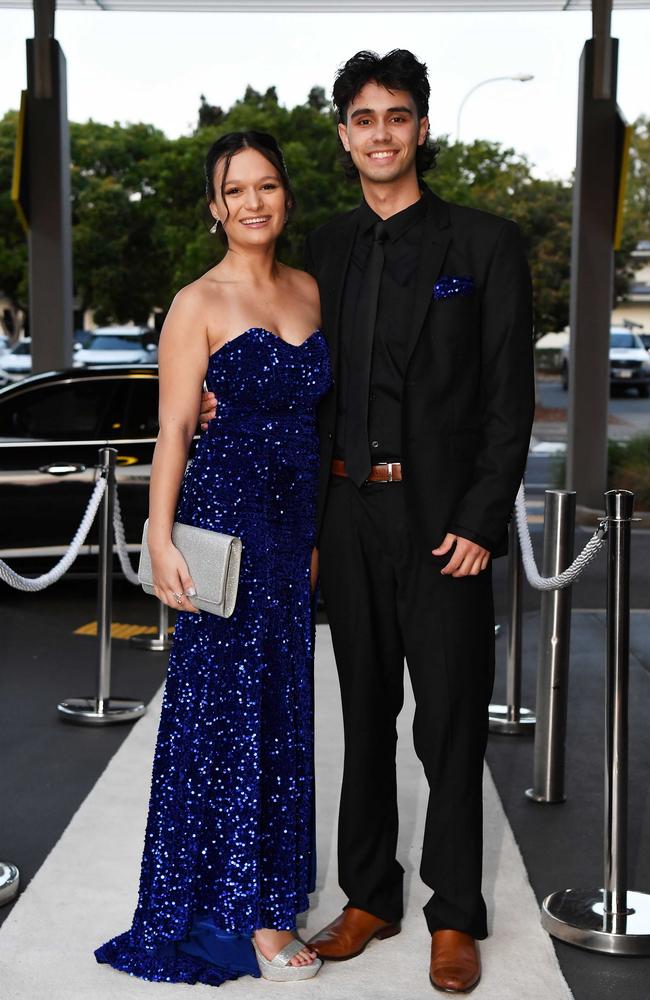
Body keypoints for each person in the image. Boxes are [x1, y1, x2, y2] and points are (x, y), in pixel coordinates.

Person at [200, 49, 535, 994]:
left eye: (396, 116)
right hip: (342, 513)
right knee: (361, 713)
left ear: (420, 128)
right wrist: (230, 405)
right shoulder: (326, 255)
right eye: (362, 117)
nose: (379, 133)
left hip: (443, 526)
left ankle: (455, 914)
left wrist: (481, 517)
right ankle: (369, 896)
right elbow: (288, 369)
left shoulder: (484, 244)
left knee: (451, 724)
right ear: (343, 133)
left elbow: (511, 401)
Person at [95, 131, 331, 986]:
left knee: (283, 715)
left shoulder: (310, 289)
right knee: (221, 721)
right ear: (215, 207)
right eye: (237, 191)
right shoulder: (196, 302)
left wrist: (311, 539)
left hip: (290, 536)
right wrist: (159, 538)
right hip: (222, 530)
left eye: (268, 186)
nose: (255, 202)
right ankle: (245, 914)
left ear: (284, 199)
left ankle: (272, 897)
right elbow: (174, 429)